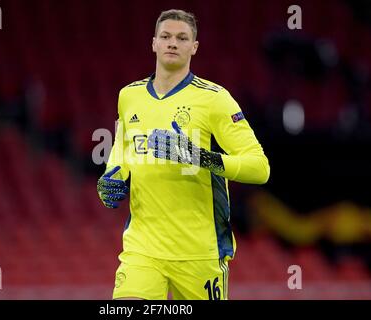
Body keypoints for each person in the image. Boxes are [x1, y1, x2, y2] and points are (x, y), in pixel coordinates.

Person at [97, 9, 270, 300]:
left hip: (199, 253)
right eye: (165, 36)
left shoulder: (215, 99)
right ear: (153, 43)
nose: (172, 43)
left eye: (181, 38)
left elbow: (259, 167)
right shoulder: (129, 96)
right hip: (143, 249)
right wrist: (111, 178)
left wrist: (199, 157)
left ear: (194, 47)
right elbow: (122, 150)